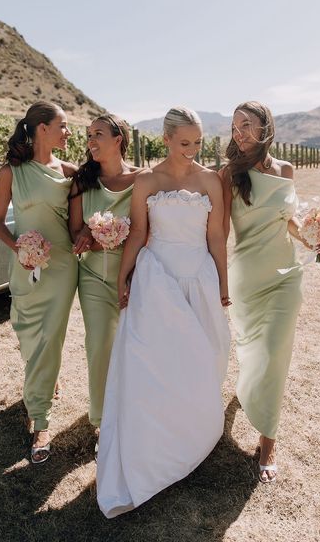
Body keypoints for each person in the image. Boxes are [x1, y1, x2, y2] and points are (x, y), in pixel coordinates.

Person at [96, 107, 231, 518]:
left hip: (198, 277)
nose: (192, 150)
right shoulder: (146, 181)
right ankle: (155, 442)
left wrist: (224, 285)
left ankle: (192, 432)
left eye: (198, 143)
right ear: (167, 139)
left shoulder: (210, 180)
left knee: (203, 356)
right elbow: (138, 233)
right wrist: (124, 277)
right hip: (157, 280)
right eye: (184, 142)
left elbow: (217, 239)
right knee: (153, 362)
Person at [220, 101, 312, 483]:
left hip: (285, 275)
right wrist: (219, 279)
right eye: (234, 126)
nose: (239, 132)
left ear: (265, 127)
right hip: (247, 277)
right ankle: (246, 390)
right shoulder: (228, 174)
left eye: (247, 124)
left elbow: (287, 220)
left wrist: (312, 235)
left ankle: (268, 441)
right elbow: (219, 232)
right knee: (251, 349)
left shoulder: (286, 170)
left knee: (275, 353)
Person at [0, 101, 78, 464]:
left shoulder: (71, 172)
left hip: (60, 269)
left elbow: (116, 178)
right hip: (24, 269)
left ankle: (39, 420)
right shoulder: (11, 171)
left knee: (50, 338)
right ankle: (45, 378)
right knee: (29, 334)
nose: (68, 133)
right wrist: (19, 248)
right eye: (62, 125)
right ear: (42, 128)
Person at [68, 114, 141, 433]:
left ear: (118, 139)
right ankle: (101, 419)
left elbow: (150, 229)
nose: (91, 141)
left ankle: (134, 412)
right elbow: (74, 234)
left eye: (98, 133)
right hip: (94, 279)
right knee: (98, 346)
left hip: (137, 279)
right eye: (88, 135)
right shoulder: (83, 181)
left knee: (136, 348)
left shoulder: (144, 179)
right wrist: (90, 236)